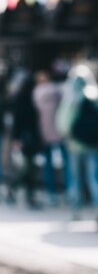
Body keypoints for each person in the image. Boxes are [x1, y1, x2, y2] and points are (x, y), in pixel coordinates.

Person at [55, 64, 98, 221]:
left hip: (75, 144)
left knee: (75, 178)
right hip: (94, 144)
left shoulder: (72, 98)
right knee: (94, 177)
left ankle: (76, 210)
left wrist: (69, 135)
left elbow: (63, 123)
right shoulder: (94, 96)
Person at [33, 70, 67, 206]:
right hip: (60, 131)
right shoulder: (58, 92)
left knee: (48, 164)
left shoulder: (37, 94)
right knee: (66, 163)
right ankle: (68, 190)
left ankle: (51, 192)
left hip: (44, 133)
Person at [9, 73, 42, 209]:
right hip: (25, 140)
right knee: (26, 169)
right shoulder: (23, 101)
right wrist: (16, 140)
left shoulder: (30, 100)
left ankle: (26, 195)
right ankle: (15, 190)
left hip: (29, 140)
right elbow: (17, 123)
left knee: (29, 169)